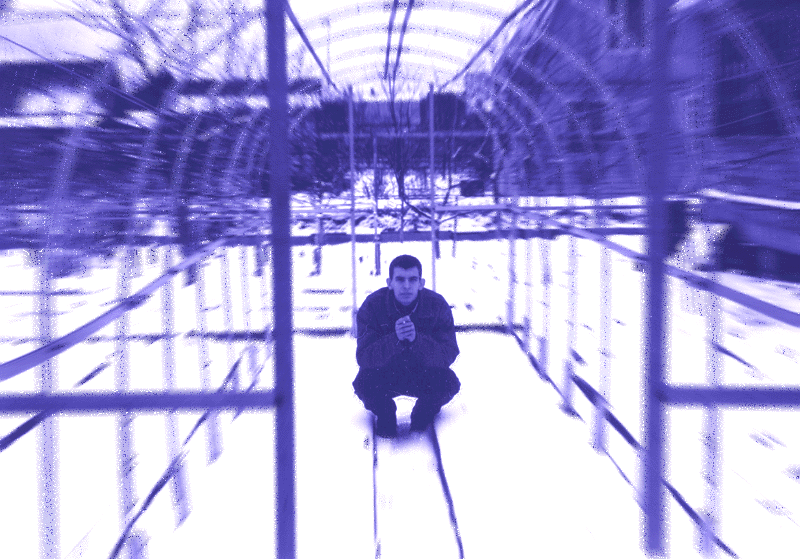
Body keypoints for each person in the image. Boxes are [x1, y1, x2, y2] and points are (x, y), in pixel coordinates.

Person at [353, 254, 461, 438]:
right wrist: (394, 339)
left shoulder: (437, 305)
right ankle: (386, 415)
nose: (406, 286)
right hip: (386, 373)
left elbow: (449, 353)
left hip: (423, 372)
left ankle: (422, 415)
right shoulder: (372, 306)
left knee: (448, 382)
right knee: (363, 382)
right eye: (400, 279)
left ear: (421, 283)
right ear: (389, 283)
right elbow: (363, 357)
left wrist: (417, 340)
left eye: (412, 279)